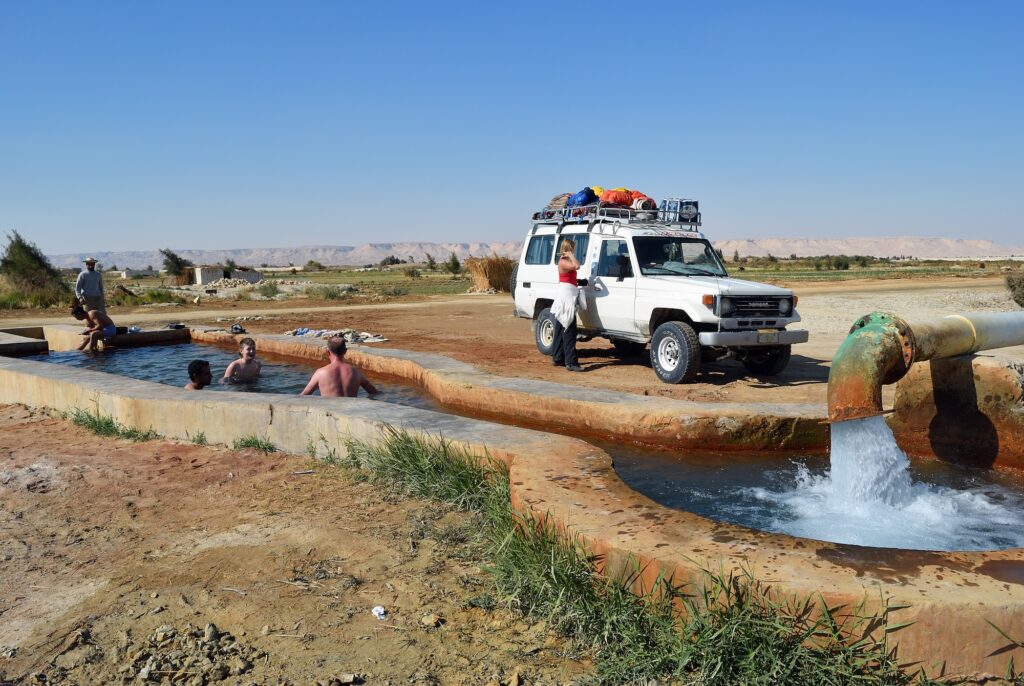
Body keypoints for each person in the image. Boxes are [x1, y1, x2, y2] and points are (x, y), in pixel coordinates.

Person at [300, 336, 378, 398]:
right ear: (345, 351)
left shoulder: (321, 373)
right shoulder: (356, 372)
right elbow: (374, 393)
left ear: (328, 352)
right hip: (352, 414)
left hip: (330, 415)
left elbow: (304, 395)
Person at [550, 238, 584, 372]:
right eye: (573, 248)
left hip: (567, 294)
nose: (574, 250)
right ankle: (571, 362)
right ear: (570, 248)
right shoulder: (564, 261)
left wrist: (580, 281)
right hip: (566, 298)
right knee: (569, 329)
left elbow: (570, 277)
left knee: (560, 328)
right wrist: (570, 255)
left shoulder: (565, 261)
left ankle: (558, 357)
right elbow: (577, 266)